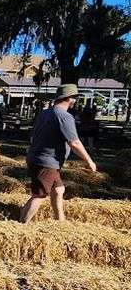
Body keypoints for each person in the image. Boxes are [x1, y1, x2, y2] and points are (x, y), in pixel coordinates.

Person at [20, 83, 97, 224]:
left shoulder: (44, 113)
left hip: (38, 158)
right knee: (39, 195)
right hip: (47, 162)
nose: (75, 101)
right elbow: (74, 143)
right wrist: (89, 161)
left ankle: (60, 222)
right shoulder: (65, 116)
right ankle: (21, 225)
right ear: (70, 98)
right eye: (74, 97)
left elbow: (32, 136)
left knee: (59, 189)